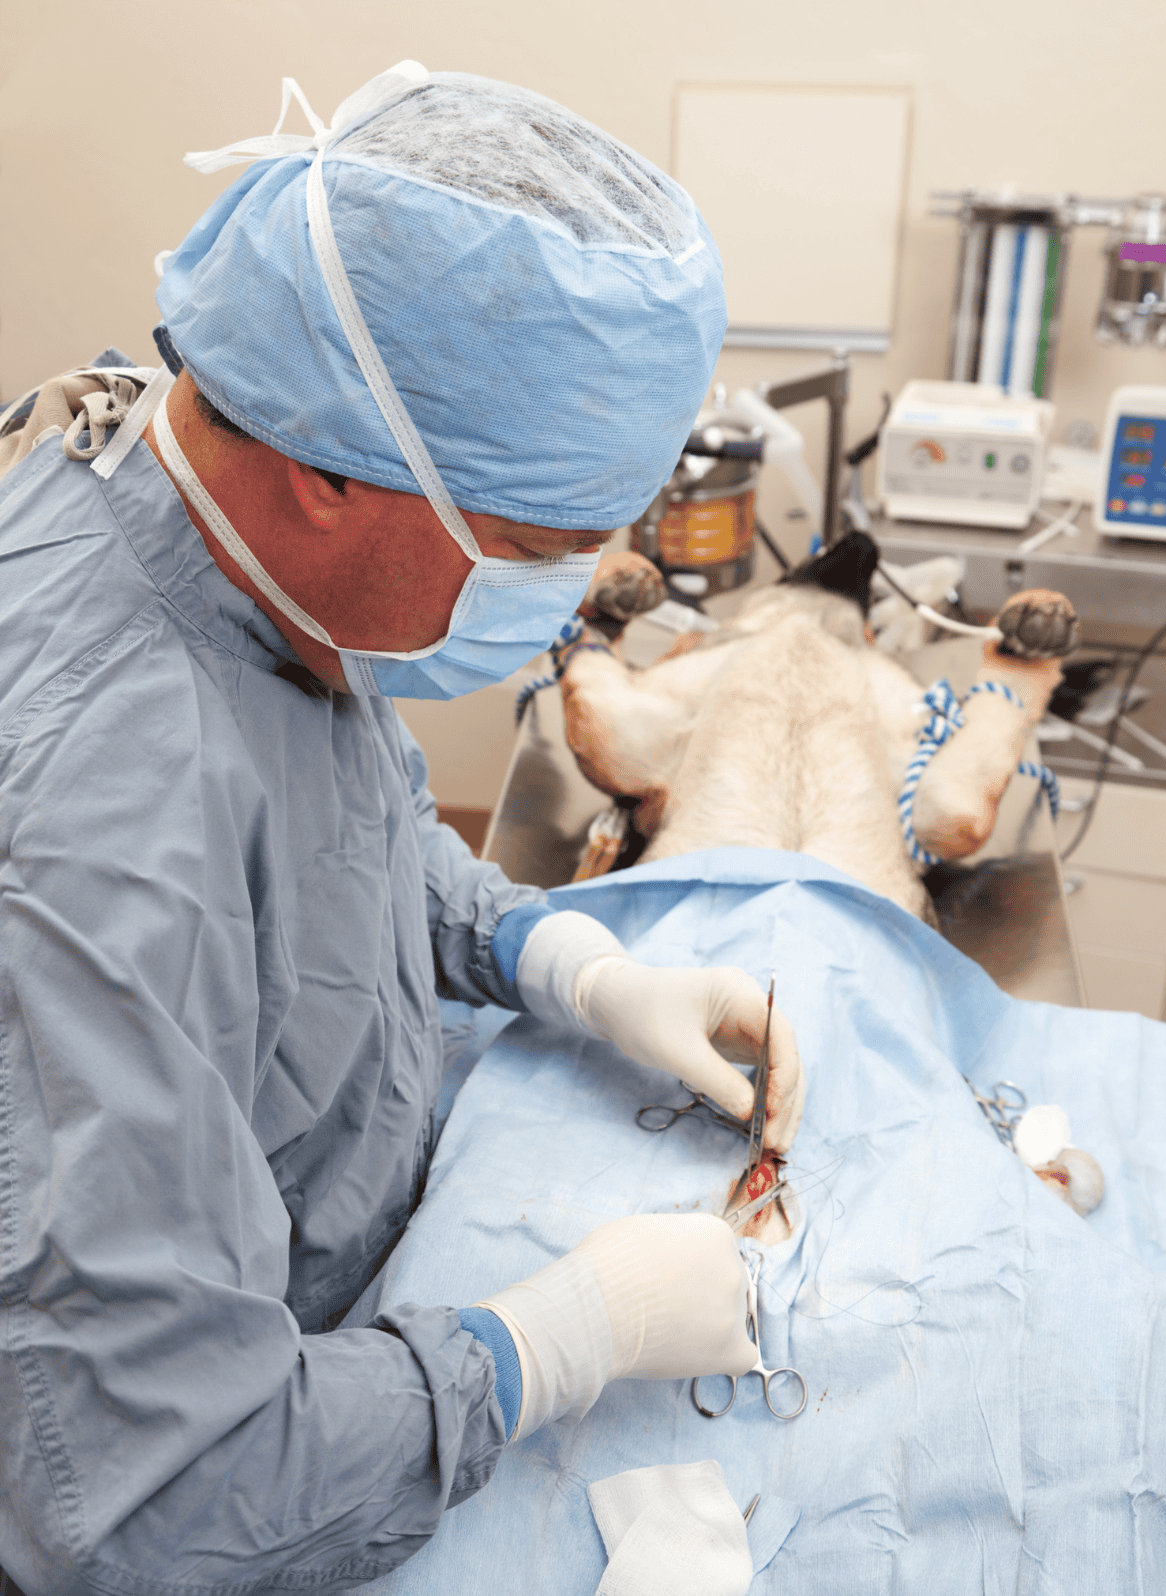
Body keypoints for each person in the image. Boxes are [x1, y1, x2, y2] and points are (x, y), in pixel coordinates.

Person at [0, 64, 803, 1594]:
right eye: (532, 550)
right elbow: (146, 1498)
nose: (562, 601)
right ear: (323, 475)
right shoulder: (92, 834)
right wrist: (554, 1343)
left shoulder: (243, 556)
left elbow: (334, 832)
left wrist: (552, 956)